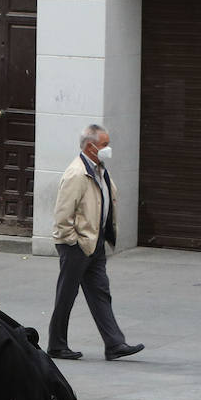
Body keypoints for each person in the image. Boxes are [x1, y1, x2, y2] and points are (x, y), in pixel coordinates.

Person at [47, 124, 144, 361]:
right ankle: (56, 345)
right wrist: (73, 242)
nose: (108, 148)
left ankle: (115, 344)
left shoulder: (99, 169)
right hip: (78, 245)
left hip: (95, 241)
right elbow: (62, 215)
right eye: (104, 145)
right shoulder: (77, 174)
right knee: (66, 295)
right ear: (90, 147)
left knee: (100, 292)